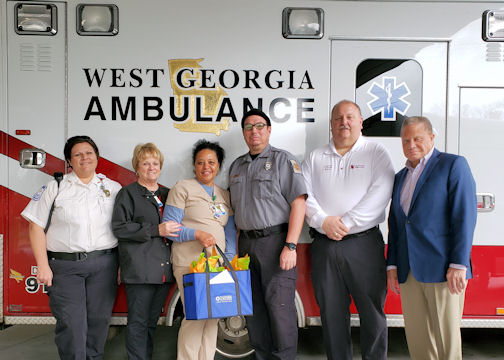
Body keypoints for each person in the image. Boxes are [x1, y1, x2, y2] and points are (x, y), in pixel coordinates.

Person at [302, 100, 394, 360]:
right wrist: (323, 221)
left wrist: (346, 223)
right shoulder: (316, 157)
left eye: (350, 117)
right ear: (331, 124)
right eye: (338, 118)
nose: (344, 122)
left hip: (363, 244)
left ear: (361, 121)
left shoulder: (376, 152)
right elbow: (303, 195)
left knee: (371, 312)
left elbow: (382, 191)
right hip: (324, 245)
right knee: (331, 314)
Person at [21, 135, 122, 360]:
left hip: (104, 265)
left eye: (89, 153)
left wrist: (120, 265)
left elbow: (121, 229)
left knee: (98, 323)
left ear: (97, 156)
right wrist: (42, 266)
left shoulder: (113, 188)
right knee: (72, 325)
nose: (84, 158)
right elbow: (35, 227)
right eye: (78, 154)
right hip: (65, 268)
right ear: (69, 160)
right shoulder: (55, 187)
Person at [386, 116, 477, 360]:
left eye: (418, 138)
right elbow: (395, 224)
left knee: (447, 344)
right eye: (406, 140)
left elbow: (464, 216)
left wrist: (459, 264)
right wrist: (392, 264)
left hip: (443, 269)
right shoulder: (400, 177)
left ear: (432, 137)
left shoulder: (453, 165)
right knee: (419, 342)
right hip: (409, 270)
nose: (411, 144)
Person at [228, 108, 307, 360]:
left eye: (259, 126)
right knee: (255, 311)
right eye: (249, 127)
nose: (254, 131)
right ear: (243, 133)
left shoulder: (283, 160)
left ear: (269, 130)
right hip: (246, 246)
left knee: (280, 310)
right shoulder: (236, 166)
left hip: (276, 244)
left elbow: (299, 203)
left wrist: (291, 246)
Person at [162, 139, 237, 360]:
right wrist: (197, 234)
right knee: (195, 316)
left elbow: (230, 231)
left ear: (219, 165)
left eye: (211, 162)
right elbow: (170, 229)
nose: (206, 167)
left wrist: (229, 259)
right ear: (194, 165)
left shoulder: (223, 194)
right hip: (190, 262)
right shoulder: (182, 188)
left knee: (213, 316)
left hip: (218, 264)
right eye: (200, 162)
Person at [111, 143, 181, 360]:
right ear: (137, 167)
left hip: (163, 272)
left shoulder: (168, 194)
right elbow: (120, 228)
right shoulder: (128, 194)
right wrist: (155, 230)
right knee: (138, 323)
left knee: (151, 323)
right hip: (140, 271)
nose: (151, 167)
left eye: (155, 163)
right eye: (145, 163)